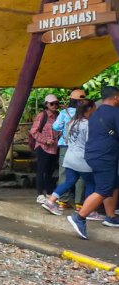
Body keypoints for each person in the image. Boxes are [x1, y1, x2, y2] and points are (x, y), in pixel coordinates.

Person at [68, 86, 119, 239]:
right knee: (104, 189)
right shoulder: (115, 113)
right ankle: (80, 217)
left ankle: (110, 217)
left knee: (113, 184)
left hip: (93, 154)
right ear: (116, 98)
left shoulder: (95, 113)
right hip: (105, 156)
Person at [42, 100, 100, 219]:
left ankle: (51, 201)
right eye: (94, 107)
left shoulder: (71, 122)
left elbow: (67, 139)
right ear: (89, 109)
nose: (95, 110)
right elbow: (91, 142)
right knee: (90, 183)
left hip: (70, 156)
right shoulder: (88, 124)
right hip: (83, 159)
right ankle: (89, 211)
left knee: (69, 181)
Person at [52, 88, 87, 209]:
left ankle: (62, 201)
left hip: (65, 145)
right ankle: (79, 203)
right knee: (82, 174)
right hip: (81, 147)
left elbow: (56, 127)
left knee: (63, 173)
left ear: (71, 100)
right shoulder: (86, 113)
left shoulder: (64, 113)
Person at [30, 94, 60, 204]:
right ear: (46, 104)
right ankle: (39, 194)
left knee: (50, 171)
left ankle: (49, 193)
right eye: (52, 103)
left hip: (55, 147)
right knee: (41, 170)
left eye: (56, 103)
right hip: (43, 147)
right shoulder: (42, 116)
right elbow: (33, 131)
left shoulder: (59, 115)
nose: (54, 105)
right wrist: (45, 140)